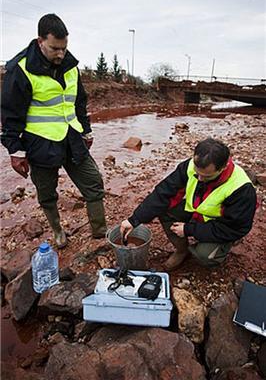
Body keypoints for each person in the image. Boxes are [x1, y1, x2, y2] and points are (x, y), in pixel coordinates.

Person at [1, 13, 107, 248]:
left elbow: (79, 102)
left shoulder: (71, 66)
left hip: (71, 137)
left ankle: (100, 234)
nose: (61, 53)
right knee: (47, 193)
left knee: (93, 183)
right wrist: (15, 150)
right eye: (54, 48)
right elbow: (10, 113)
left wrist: (86, 130)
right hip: (40, 143)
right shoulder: (21, 69)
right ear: (40, 41)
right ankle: (58, 232)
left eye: (64, 47)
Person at [120, 138, 257, 269]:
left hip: (222, 223)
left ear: (223, 167)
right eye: (197, 174)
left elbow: (235, 228)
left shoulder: (242, 189)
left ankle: (223, 245)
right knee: (164, 210)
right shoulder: (191, 166)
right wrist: (134, 220)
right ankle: (182, 251)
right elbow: (164, 193)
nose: (200, 178)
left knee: (204, 255)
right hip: (199, 212)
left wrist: (188, 229)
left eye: (207, 176)